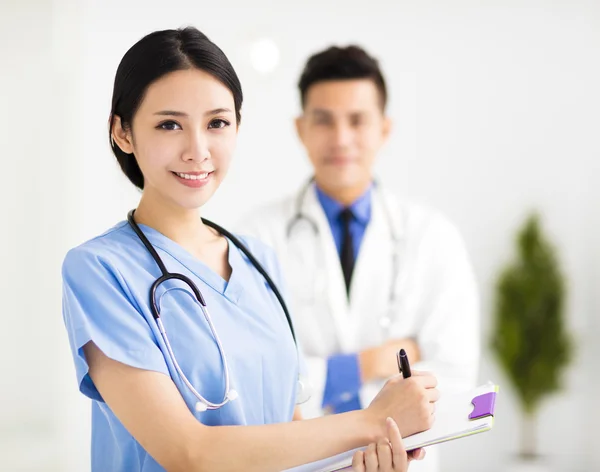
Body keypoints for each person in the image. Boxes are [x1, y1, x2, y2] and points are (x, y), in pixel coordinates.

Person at [60, 27, 438, 472]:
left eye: (217, 123)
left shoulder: (259, 261)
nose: (197, 150)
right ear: (122, 132)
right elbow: (188, 453)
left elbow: (294, 441)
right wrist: (371, 421)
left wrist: (362, 463)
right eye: (169, 124)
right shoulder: (99, 271)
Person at [237, 45, 480, 471]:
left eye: (357, 120)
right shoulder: (256, 237)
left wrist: (329, 387)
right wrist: (373, 363)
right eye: (324, 120)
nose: (341, 138)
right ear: (300, 128)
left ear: (384, 129)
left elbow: (455, 378)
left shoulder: (432, 237)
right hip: (301, 463)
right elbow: (258, 379)